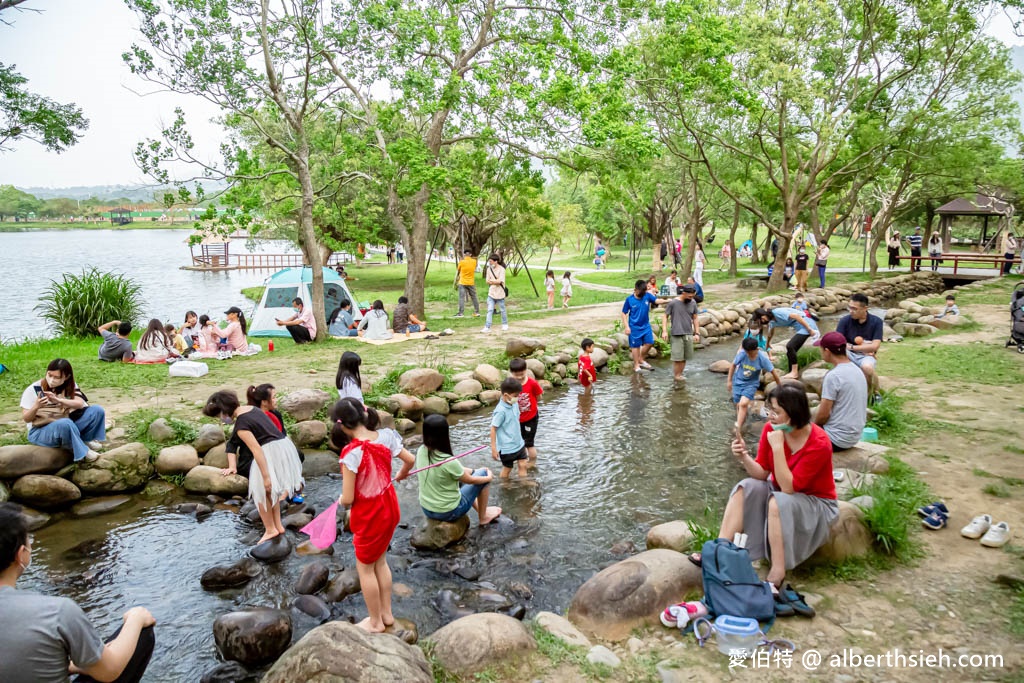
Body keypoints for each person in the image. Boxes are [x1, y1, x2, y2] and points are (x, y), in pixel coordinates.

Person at [0, 503, 156, 683]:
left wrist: (69, 666)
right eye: (29, 540)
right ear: (21, 554)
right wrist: (136, 618)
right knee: (141, 635)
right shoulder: (57, 612)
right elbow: (110, 671)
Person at [701, 384, 838, 589]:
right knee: (745, 487)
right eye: (769, 410)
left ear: (793, 413)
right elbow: (762, 473)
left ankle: (778, 570)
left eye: (776, 412)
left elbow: (789, 488)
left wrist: (777, 448)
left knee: (777, 502)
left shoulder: (819, 443)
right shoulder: (771, 429)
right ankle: (720, 550)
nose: (770, 416)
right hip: (782, 493)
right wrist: (744, 457)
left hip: (815, 503)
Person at [332, 397, 414, 633]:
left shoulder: (350, 453)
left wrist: (339, 500)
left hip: (369, 514)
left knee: (365, 568)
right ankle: (387, 614)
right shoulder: (386, 437)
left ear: (343, 426)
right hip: (390, 507)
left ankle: (376, 621)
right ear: (363, 415)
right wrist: (400, 475)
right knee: (380, 561)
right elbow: (409, 460)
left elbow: (348, 499)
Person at [203, 390, 303, 544]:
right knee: (272, 492)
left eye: (219, 416)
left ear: (224, 411)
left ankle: (270, 530)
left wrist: (265, 477)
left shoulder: (241, 425)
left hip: (269, 451)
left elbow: (256, 450)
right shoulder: (253, 409)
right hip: (283, 446)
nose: (221, 420)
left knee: (260, 492)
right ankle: (278, 526)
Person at [417, 415, 501, 525]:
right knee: (483, 474)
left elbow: (456, 472)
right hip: (448, 512)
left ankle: (481, 510)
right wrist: (488, 477)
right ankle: (483, 516)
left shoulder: (421, 451)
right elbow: (470, 480)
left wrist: (473, 470)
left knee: (468, 477)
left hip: (427, 509)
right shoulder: (449, 461)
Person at [21, 359, 105, 463]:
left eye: (57, 377)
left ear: (67, 377)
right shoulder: (33, 389)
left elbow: (79, 404)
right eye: (50, 375)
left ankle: (84, 441)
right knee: (66, 423)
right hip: (40, 431)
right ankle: (81, 451)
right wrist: (36, 406)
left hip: (65, 423)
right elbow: (26, 418)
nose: (52, 380)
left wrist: (58, 400)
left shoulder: (70, 385)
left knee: (97, 411)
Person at [812, 332, 868, 451]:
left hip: (835, 439)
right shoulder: (857, 370)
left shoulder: (834, 376)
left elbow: (823, 415)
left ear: (827, 351)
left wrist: (814, 428)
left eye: (821, 349)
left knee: (793, 430)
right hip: (854, 436)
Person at [728, 336, 781, 433]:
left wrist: (780, 387)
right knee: (738, 405)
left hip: (751, 384)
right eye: (746, 351)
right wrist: (729, 381)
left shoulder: (762, 359)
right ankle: (742, 420)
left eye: (750, 352)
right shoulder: (743, 354)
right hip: (738, 382)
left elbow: (773, 373)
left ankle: (738, 427)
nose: (748, 354)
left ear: (756, 349)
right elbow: (733, 365)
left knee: (743, 403)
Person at [835, 292, 883, 398]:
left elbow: (875, 346)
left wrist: (852, 347)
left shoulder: (876, 322)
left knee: (867, 367)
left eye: (854, 309)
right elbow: (838, 342)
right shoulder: (845, 321)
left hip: (866, 356)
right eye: (849, 308)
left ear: (865, 308)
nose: (851, 311)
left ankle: (874, 394)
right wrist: (864, 347)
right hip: (848, 354)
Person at [755, 306, 819, 380]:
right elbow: (770, 333)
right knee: (790, 351)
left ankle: (794, 373)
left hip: (806, 323)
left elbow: (796, 316)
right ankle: (791, 372)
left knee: (790, 346)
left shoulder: (777, 312)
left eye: (762, 319)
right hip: (800, 326)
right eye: (761, 321)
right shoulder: (771, 321)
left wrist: (810, 329)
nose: (763, 321)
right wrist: (768, 344)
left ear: (764, 315)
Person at [621, 279, 665, 373]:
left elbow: (656, 300)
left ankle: (641, 359)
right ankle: (636, 365)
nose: (643, 293)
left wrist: (668, 301)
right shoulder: (630, 300)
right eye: (641, 291)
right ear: (635, 289)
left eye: (644, 291)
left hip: (645, 326)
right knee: (635, 346)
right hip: (634, 327)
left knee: (650, 342)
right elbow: (624, 313)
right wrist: (626, 326)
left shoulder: (647, 296)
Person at [490, 377, 528, 478]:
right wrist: (494, 448)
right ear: (506, 395)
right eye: (516, 395)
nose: (518, 397)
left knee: (523, 464)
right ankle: (505, 486)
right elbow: (493, 428)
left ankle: (524, 485)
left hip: (518, 443)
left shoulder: (513, 403)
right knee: (508, 468)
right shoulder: (500, 411)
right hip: (507, 448)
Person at [662, 283, 700, 381]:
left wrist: (697, 333)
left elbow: (695, 318)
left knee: (685, 357)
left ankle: (679, 375)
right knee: (677, 357)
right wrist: (664, 331)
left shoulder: (693, 302)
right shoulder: (673, 303)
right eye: (689, 296)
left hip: (688, 333)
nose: (691, 298)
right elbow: (665, 316)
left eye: (693, 296)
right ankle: (676, 376)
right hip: (676, 333)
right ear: (683, 293)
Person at [509, 358, 544, 462]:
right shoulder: (510, 384)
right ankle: (522, 462)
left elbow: (539, 397)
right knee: (519, 442)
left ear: (526, 370)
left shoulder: (532, 383)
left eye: (522, 374)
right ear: (511, 372)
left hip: (530, 418)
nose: (519, 377)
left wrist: (532, 405)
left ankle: (532, 463)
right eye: (516, 375)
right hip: (516, 418)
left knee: (529, 443)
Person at [482, 253, 508, 333]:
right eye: (489, 261)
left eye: (491, 261)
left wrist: (492, 281)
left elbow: (500, 281)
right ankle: (487, 326)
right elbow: (487, 281)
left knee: (502, 309)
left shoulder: (502, 270)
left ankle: (505, 324)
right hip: (491, 293)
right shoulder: (489, 269)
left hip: (500, 293)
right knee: (490, 310)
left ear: (496, 261)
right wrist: (494, 282)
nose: (490, 263)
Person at [455, 249, 480, 317]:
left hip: (462, 282)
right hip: (471, 282)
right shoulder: (474, 261)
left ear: (464, 254)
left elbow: (458, 269)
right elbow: (475, 266)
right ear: (471, 254)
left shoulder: (461, 262)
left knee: (461, 297)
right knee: (474, 297)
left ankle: (461, 313)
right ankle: (477, 311)